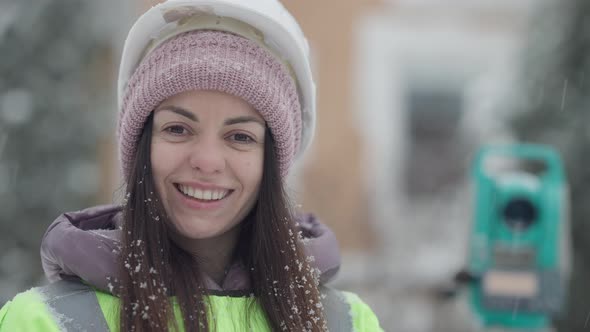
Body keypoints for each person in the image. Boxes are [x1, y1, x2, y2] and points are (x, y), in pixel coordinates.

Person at [0, 0, 382, 331]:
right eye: (179, 128)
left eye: (240, 137)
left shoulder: (346, 323)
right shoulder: (44, 322)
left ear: (272, 162)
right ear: (141, 146)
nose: (207, 161)